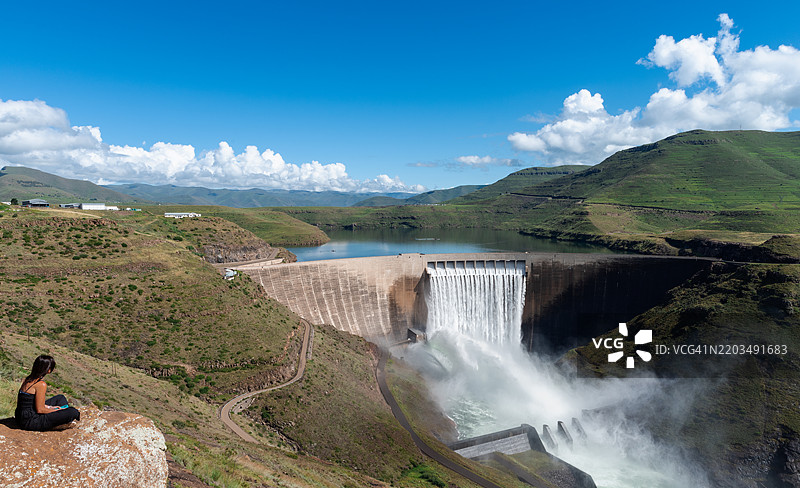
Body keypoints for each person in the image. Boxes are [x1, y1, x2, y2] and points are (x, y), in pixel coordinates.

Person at [15, 355, 80, 431]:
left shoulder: (28, 378)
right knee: (73, 412)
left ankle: (58, 418)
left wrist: (49, 407)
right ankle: (55, 424)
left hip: (21, 417)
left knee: (60, 398)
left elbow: (28, 402)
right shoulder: (41, 384)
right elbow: (40, 410)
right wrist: (57, 410)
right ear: (48, 370)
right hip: (31, 421)